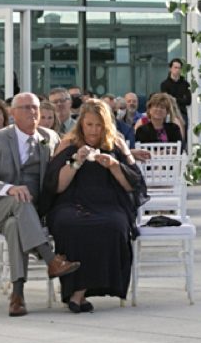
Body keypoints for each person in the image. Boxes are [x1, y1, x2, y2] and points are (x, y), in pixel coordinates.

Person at [0, 91, 80, 316]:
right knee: (20, 199)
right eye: (26, 108)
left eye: (35, 108)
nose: (33, 112)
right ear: (13, 113)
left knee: (14, 226)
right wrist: (9, 188)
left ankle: (17, 295)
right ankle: (50, 259)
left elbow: (69, 156)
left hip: (29, 214)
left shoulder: (49, 137)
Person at [43, 97, 144, 313]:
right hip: (71, 203)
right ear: (81, 123)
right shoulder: (68, 144)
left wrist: (114, 166)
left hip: (109, 204)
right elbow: (57, 186)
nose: (94, 130)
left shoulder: (117, 143)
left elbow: (133, 185)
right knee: (70, 224)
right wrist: (76, 162)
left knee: (113, 226)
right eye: (89, 124)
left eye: (99, 125)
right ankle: (78, 293)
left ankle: (78, 293)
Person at [159, 59, 192, 125]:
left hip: (182, 114)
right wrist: (181, 99)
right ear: (170, 69)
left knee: (183, 130)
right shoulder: (164, 84)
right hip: (169, 114)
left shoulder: (185, 84)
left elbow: (188, 101)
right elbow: (167, 101)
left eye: (179, 68)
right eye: (175, 67)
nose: (177, 70)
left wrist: (175, 99)